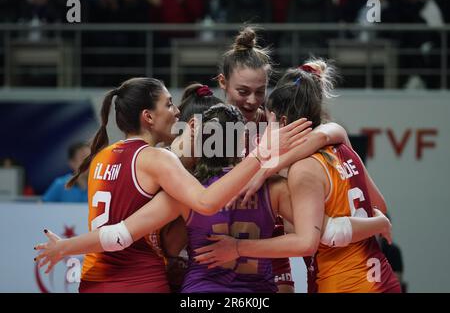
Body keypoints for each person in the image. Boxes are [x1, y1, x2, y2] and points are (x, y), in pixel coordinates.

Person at [34, 77, 311, 293]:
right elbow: (205, 201)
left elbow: (119, 231)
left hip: (93, 279)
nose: (176, 111)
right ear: (148, 117)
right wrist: (261, 155)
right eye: (168, 104)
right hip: (139, 280)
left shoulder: (103, 157)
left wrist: (67, 247)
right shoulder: (159, 160)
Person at [193, 59, 402, 293]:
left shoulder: (303, 168)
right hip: (382, 278)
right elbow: (379, 205)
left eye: (269, 118)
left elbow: (316, 237)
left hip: (344, 282)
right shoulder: (341, 145)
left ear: (281, 121)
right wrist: (378, 222)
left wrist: (238, 247)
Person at [217, 26, 352, 292]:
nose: (252, 101)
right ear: (223, 83)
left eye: (260, 91)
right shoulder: (209, 126)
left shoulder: (279, 125)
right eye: (243, 92)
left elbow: (329, 131)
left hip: (273, 251)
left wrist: (269, 167)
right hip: (220, 249)